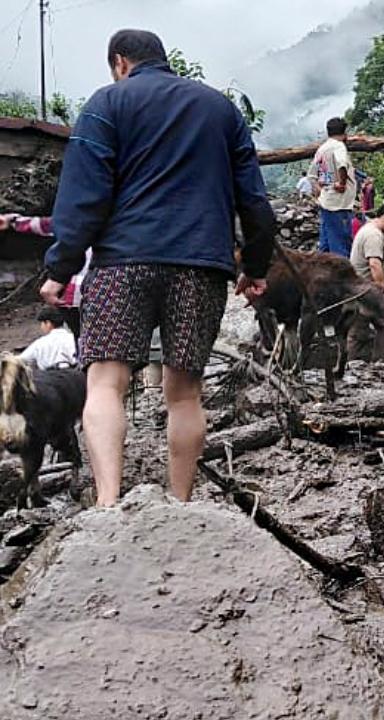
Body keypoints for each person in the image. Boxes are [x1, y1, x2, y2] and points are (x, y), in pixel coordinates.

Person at [43, 29, 275, 507]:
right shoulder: (221, 109)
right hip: (201, 264)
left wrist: (61, 267)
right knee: (185, 392)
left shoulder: (107, 103)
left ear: (120, 62)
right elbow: (254, 200)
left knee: (106, 380)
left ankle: (107, 503)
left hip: (121, 263)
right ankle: (181, 503)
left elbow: (84, 198)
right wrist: (254, 266)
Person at [1, 213, 92, 336]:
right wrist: (13, 221)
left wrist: (13, 221)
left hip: (77, 296)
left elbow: (50, 225)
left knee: (83, 340)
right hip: (96, 295)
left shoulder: (81, 220)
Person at [308, 117, 357, 257]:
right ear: (344, 132)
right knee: (341, 245)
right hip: (339, 204)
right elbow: (342, 164)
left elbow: (312, 175)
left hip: (326, 202)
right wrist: (341, 183)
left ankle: (320, 275)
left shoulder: (321, 149)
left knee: (326, 245)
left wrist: (320, 191)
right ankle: (341, 278)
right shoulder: (338, 146)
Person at [350, 202, 384, 286]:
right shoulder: (373, 235)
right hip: (364, 287)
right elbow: (374, 265)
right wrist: (383, 290)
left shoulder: (376, 231)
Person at [19, 305, 77, 370]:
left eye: (42, 323)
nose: (41, 327)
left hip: (48, 376)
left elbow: (20, 360)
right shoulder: (74, 338)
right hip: (73, 375)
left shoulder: (40, 343)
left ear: (48, 323)